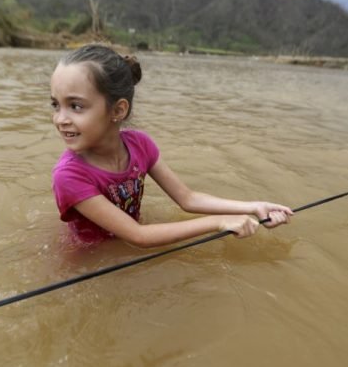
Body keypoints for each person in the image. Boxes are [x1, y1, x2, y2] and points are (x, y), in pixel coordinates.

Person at [50, 44, 293, 247]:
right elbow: (139, 236)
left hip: (126, 241)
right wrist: (220, 221)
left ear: (118, 110)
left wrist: (253, 207)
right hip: (90, 258)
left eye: (76, 106)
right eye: (56, 105)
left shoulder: (140, 145)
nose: (60, 119)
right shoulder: (69, 175)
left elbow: (188, 199)